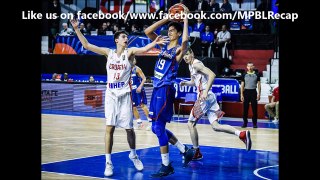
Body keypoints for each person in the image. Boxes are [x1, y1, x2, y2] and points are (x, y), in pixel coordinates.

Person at [70, 18, 169, 177]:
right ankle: (108, 162)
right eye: (124, 37)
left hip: (125, 96)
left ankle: (133, 155)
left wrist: (155, 42)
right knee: (110, 128)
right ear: (117, 40)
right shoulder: (108, 53)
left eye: (127, 37)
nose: (126, 38)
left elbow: (143, 49)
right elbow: (87, 45)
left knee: (129, 129)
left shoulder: (129, 53)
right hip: (111, 95)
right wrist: (76, 29)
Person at [144, 4, 196, 178]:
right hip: (157, 89)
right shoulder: (163, 45)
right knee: (155, 128)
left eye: (173, 30)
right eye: (169, 30)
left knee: (158, 127)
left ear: (179, 33)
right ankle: (184, 150)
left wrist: (186, 18)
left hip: (165, 89)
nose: (170, 32)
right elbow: (148, 32)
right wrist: (167, 18)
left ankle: (166, 165)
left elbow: (186, 41)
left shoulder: (178, 50)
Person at [180, 48, 252, 160]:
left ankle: (196, 151)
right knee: (216, 126)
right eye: (183, 55)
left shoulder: (196, 64)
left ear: (192, 54)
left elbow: (212, 75)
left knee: (190, 124)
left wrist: (205, 91)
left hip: (205, 98)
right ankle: (241, 134)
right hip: (210, 98)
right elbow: (194, 82)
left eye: (187, 54)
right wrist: (186, 83)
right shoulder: (190, 66)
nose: (185, 57)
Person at [131, 57, 153, 130]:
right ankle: (139, 123)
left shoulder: (137, 69)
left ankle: (151, 122)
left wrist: (140, 87)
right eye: (131, 59)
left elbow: (144, 78)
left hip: (138, 90)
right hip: (131, 91)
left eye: (134, 59)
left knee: (142, 105)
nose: (133, 60)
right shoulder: (127, 69)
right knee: (133, 107)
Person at [240, 62, 261, 128]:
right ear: (247, 67)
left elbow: (259, 85)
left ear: (253, 67)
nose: (250, 67)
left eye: (251, 66)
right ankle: (245, 123)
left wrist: (259, 94)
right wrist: (241, 95)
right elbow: (242, 85)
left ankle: (254, 123)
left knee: (254, 109)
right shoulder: (244, 74)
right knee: (245, 109)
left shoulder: (257, 74)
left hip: (253, 92)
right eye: (249, 66)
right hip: (246, 92)